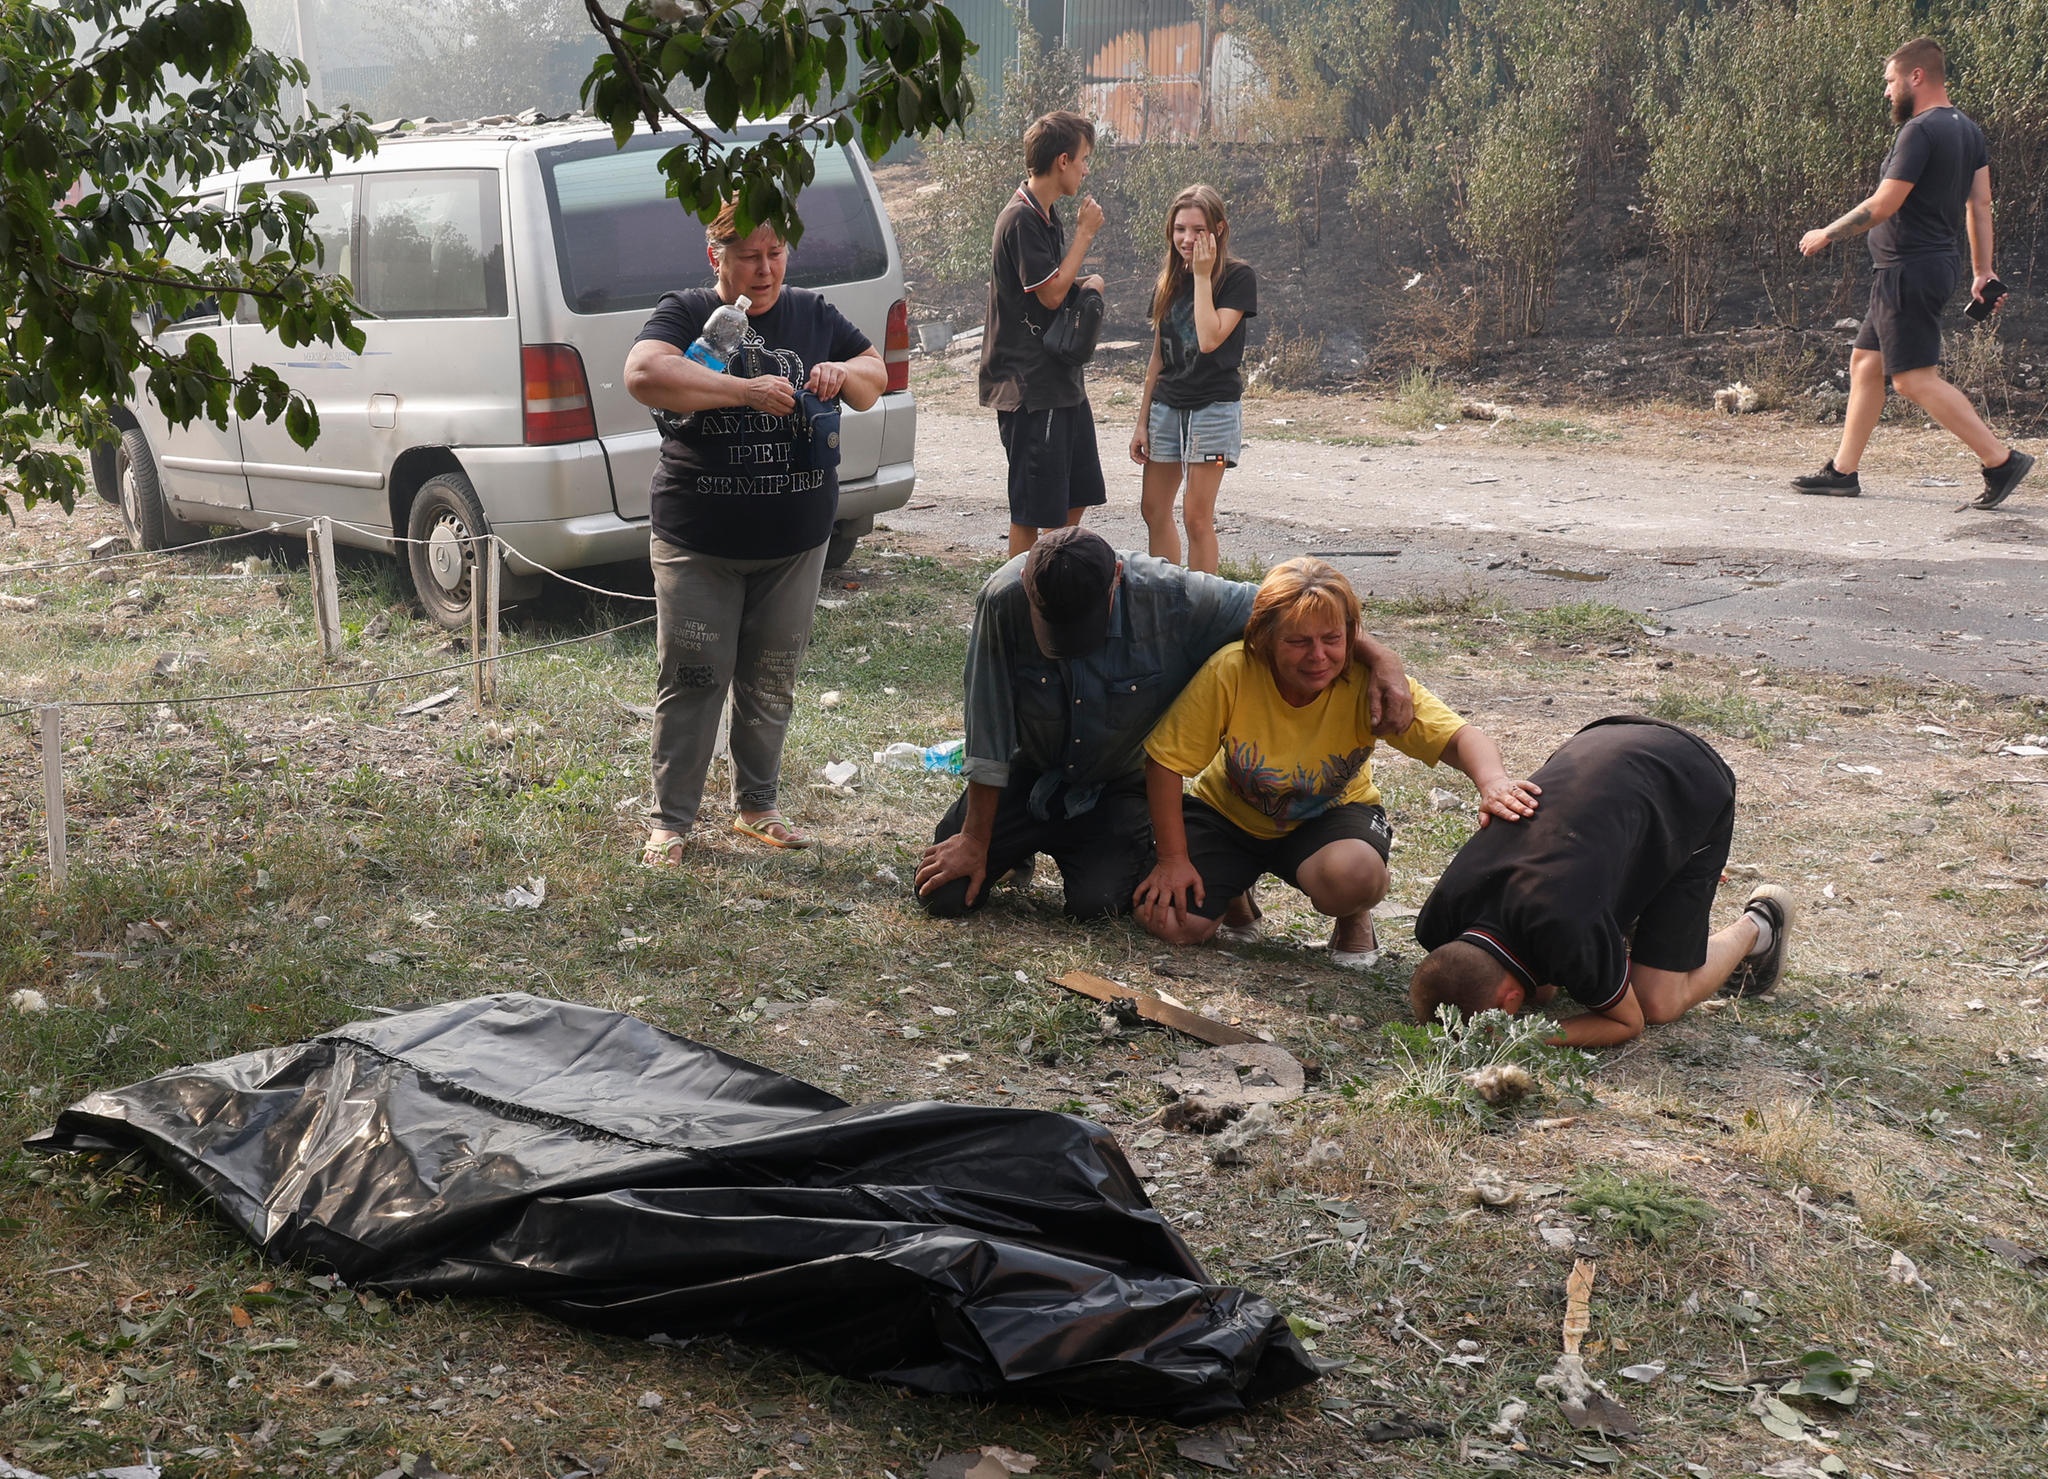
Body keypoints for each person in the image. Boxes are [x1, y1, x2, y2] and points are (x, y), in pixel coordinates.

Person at [914, 529, 1416, 921]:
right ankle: (1011, 850)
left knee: (1101, 904)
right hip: (1032, 773)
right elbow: (989, 723)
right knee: (944, 894)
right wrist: (976, 839)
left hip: (1119, 785)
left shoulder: (1175, 596)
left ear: (1116, 577)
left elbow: (1291, 608)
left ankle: (1214, 873)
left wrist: (1379, 656)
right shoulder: (1002, 598)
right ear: (1027, 584)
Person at [624, 202, 887, 864]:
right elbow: (644, 374)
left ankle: (757, 805)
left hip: (794, 544)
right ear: (716, 257)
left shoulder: (812, 313)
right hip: (699, 541)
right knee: (693, 674)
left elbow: (874, 377)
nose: (765, 269)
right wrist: (743, 392)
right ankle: (671, 822)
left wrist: (842, 374)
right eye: (749, 255)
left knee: (771, 676)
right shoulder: (686, 313)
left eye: (775, 254)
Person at [1134, 558, 1534, 965]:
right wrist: (1173, 860)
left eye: (1331, 638)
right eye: (1297, 641)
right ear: (1265, 638)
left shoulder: (1370, 680)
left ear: (1352, 636)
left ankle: (1353, 915)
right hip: (1229, 815)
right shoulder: (1232, 669)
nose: (1318, 656)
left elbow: (1461, 735)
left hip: (1332, 817)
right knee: (1170, 922)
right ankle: (1236, 889)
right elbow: (1165, 762)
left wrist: (1494, 782)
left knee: (1354, 875)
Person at [1408, 716, 1796, 1049]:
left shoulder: (1566, 931)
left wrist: (1526, 1037)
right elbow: (1540, 987)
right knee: (1549, 983)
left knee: (1657, 1001)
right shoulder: (1437, 924)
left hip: (1691, 779)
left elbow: (1628, 1023)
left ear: (1510, 1000)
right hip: (1599, 742)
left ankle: (1760, 925)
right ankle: (1631, 929)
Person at [1792, 36, 2032, 509]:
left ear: (1915, 77)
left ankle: (2000, 460)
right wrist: (1983, 270)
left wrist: (1827, 232)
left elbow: (1883, 204)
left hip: (1909, 268)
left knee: (1913, 378)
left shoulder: (1920, 131)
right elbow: (1980, 204)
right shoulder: (1968, 129)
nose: (1887, 92)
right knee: (1866, 364)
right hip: (1924, 266)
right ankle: (1843, 471)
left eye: (1890, 81)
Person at [979, 110, 1109, 559]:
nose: (1086, 169)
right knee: (1033, 510)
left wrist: (1085, 285)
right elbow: (1051, 296)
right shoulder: (1021, 219)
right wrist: (1084, 237)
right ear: (1063, 160)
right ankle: (1022, 599)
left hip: (1060, 382)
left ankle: (1051, 575)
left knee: (1077, 491)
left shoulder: (1045, 215)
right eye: (1084, 160)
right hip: (1029, 388)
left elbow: (1049, 289)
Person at [1131, 185, 1257, 573]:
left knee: (1196, 517)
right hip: (1167, 406)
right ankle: (1166, 597)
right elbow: (1158, 356)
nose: (1187, 239)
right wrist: (1141, 421)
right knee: (1153, 508)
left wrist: (1202, 277)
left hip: (1213, 408)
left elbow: (1209, 339)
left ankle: (1203, 608)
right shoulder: (1167, 281)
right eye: (1180, 229)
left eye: (1198, 229)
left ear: (1219, 229)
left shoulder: (1238, 277)